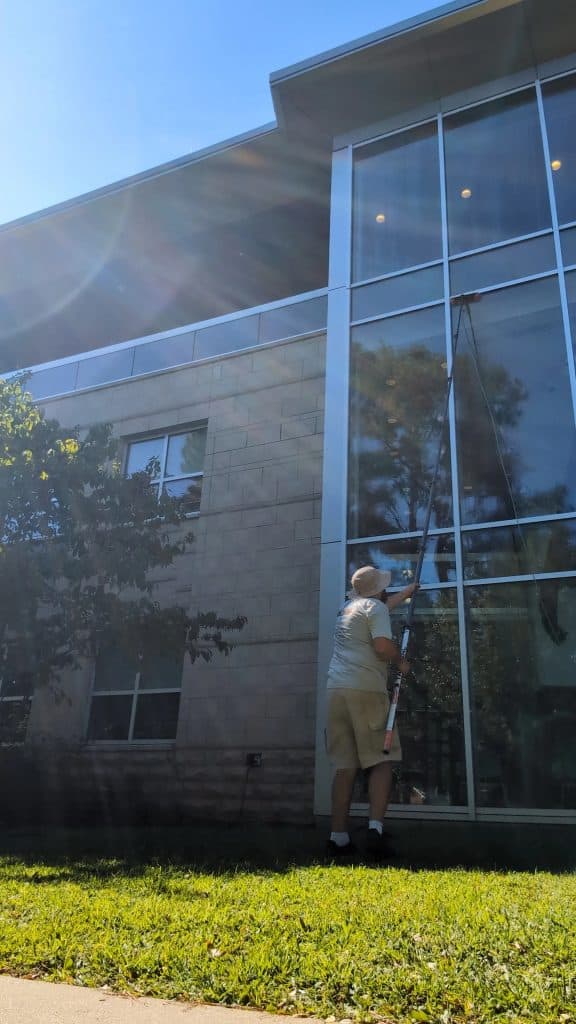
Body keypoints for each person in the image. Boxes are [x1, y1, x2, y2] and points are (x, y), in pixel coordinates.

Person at [325, 565, 418, 859]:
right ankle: (375, 831)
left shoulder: (347, 608)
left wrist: (405, 594)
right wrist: (401, 663)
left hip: (336, 691)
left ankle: (338, 837)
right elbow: (381, 646)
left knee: (345, 765)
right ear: (378, 590)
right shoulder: (374, 609)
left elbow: (378, 608)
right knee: (381, 759)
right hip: (365, 689)